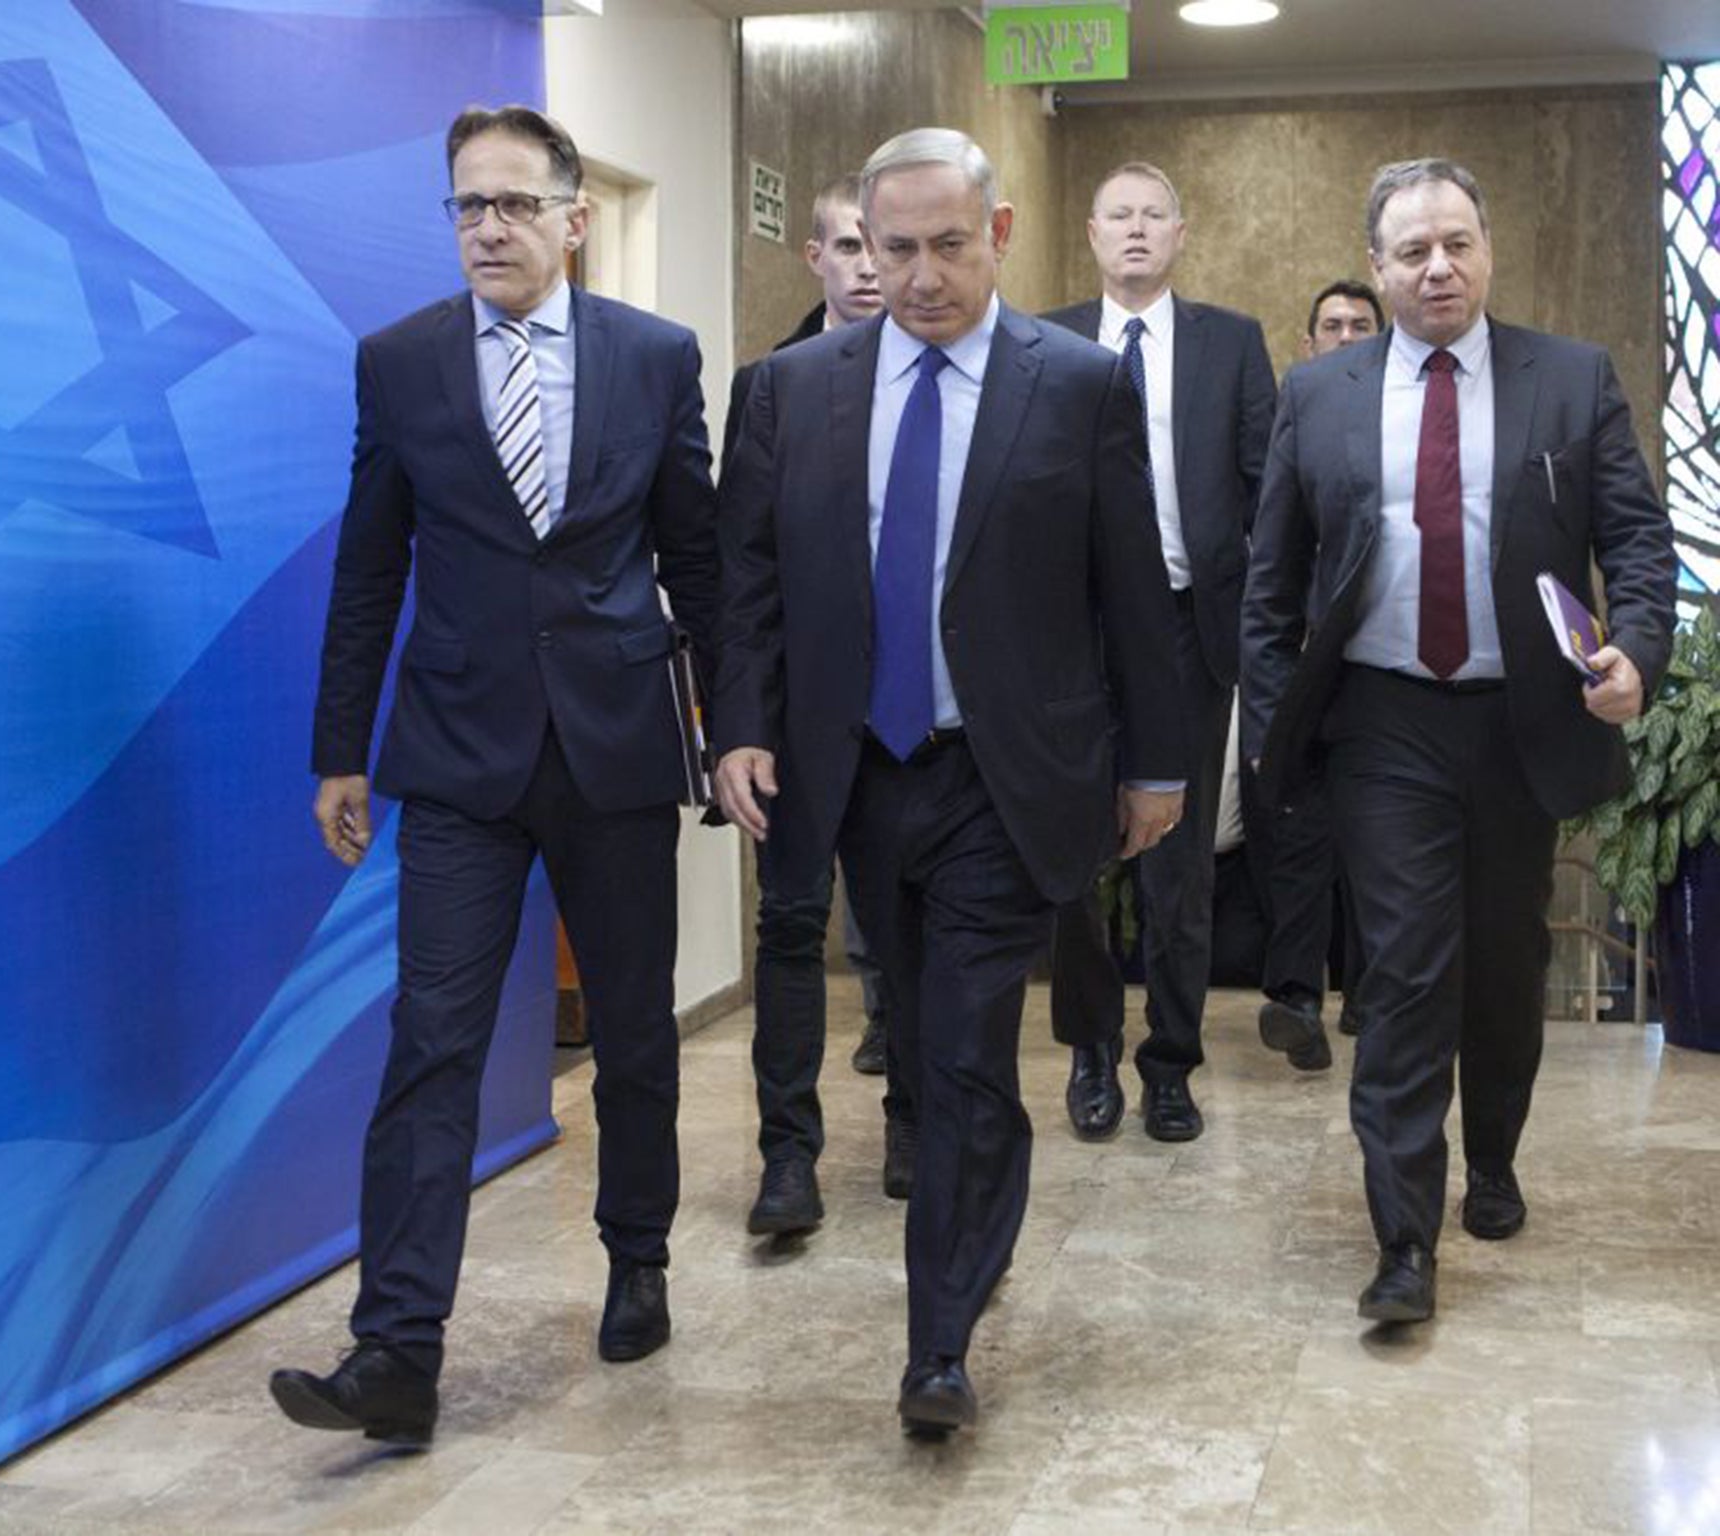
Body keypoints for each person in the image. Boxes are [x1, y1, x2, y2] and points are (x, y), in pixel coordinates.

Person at [713, 126, 1187, 1436]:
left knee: (974, 1051)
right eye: (892, 247)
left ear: (1003, 233)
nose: (919, 275)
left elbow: (1132, 593)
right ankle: (969, 1250)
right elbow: (746, 581)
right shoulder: (792, 389)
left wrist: (1156, 763)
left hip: (1006, 770)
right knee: (916, 1048)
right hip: (858, 774)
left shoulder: (1079, 385)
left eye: (947, 245)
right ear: (860, 246)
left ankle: (937, 1348)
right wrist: (738, 726)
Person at [269, 104, 718, 1443]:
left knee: (635, 1029)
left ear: (575, 216)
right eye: (468, 206)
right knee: (434, 1043)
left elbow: (695, 556)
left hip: (618, 745)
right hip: (458, 756)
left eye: (516, 204)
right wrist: (338, 748)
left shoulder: (654, 357)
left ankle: (637, 1252)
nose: (490, 229)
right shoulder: (399, 363)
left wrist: (738, 730)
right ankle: (395, 1350)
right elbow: (369, 570)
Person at [1242, 157, 1677, 1324]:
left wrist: (1634, 647)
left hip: (1518, 720)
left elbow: (1636, 543)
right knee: (1404, 969)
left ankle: (1491, 1154)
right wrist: (1287, 720)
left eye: (1456, 243)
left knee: (1497, 965)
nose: (1437, 267)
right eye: (1410, 251)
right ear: (1376, 269)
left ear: (1485, 249)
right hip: (1381, 722)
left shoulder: (1569, 380)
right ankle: (1401, 1242)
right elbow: (1269, 582)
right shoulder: (1317, 394)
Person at [1043, 162, 1279, 1142]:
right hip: (1075, 635)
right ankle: (1091, 1049)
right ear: (1091, 235)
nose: (1135, 232)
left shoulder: (1229, 343)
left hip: (1189, 629)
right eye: (1117, 217)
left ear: (1179, 234)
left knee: (1177, 866)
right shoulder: (1044, 340)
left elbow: (1268, 486)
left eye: (1152, 217)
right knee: (1074, 859)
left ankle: (1170, 1063)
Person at [720, 174, 904, 1238]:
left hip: (905, 721)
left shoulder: (942, 381)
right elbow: (738, 576)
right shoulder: (769, 387)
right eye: (847, 246)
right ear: (817, 260)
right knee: (790, 934)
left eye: (878, 245)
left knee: (907, 937)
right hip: (793, 727)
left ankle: (915, 1125)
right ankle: (786, 1158)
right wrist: (735, 725)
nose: (869, 266)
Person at [1239, 278, 1389, 1060]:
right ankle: (1295, 997)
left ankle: (1365, 992)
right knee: (1298, 834)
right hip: (1301, 674)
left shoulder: (1406, 421)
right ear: (1308, 343)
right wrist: (1266, 710)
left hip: (1382, 677)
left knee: (1375, 840)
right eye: (1331, 325)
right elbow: (1272, 560)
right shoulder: (1296, 410)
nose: (1346, 336)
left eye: (1361, 325)